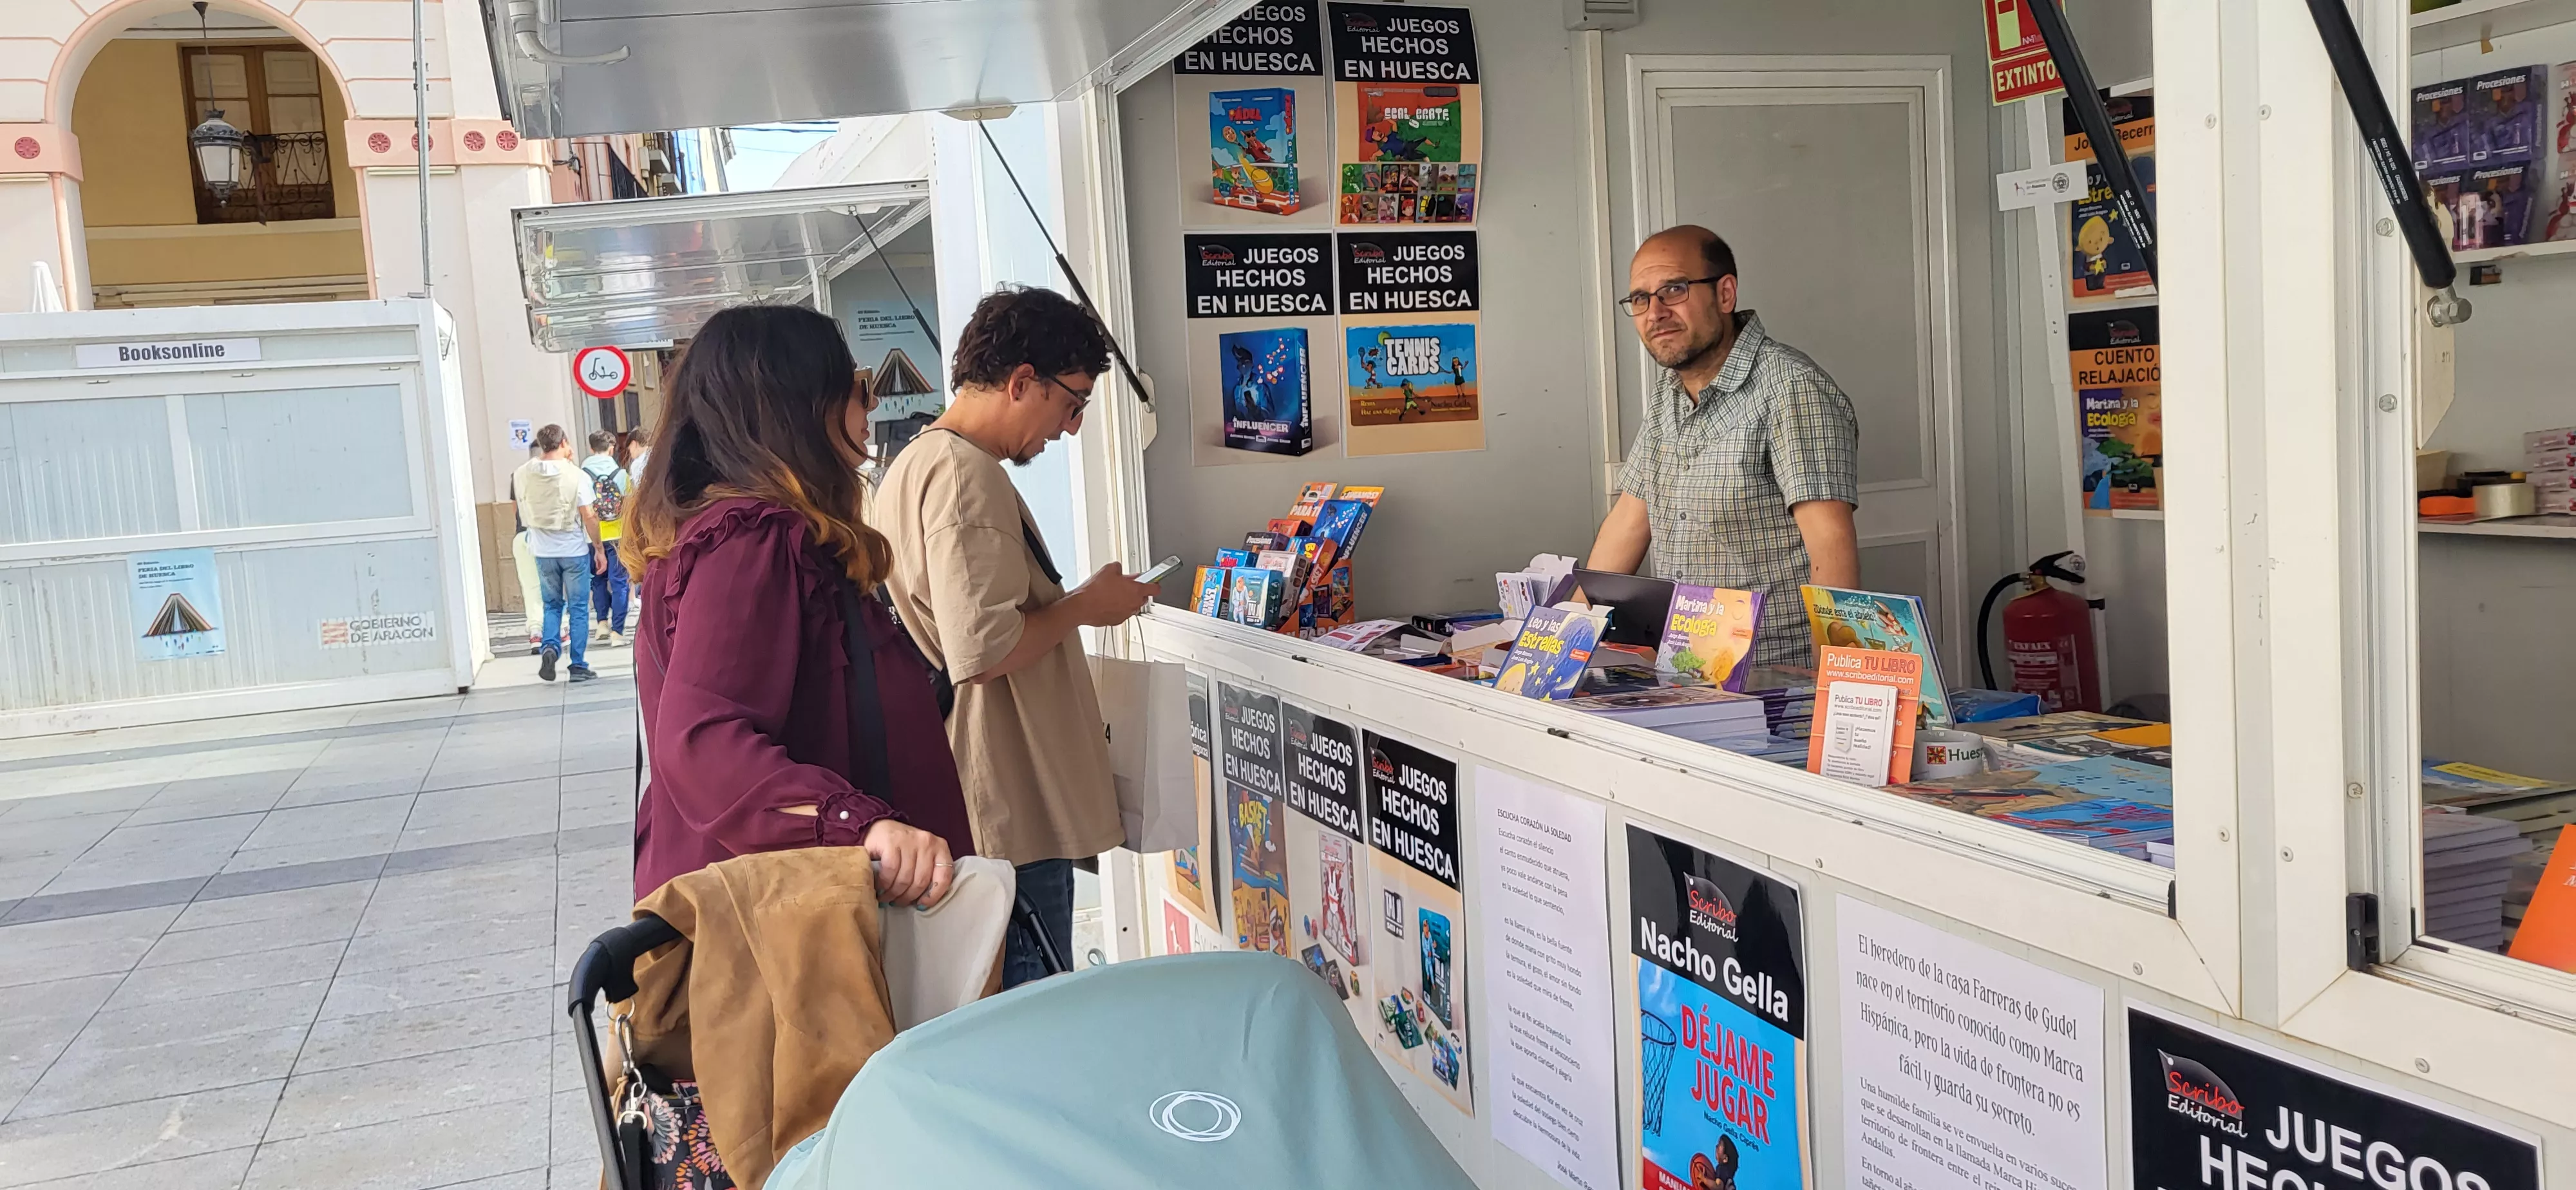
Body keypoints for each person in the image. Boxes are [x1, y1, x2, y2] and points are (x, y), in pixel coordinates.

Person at [621, 303, 971, 904]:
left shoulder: (735, 534)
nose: (873, 407)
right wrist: (856, 826)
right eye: (858, 387)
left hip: (805, 907)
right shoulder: (752, 540)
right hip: (800, 925)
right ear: (799, 408)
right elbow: (703, 737)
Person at [876, 286, 1157, 988]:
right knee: (1033, 1011)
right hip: (1007, 803)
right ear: (1022, 380)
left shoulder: (916, 460)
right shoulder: (965, 475)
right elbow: (984, 648)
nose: (1070, 428)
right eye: (1072, 404)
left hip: (983, 794)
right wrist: (1089, 605)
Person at [1585, 225, 1860, 667]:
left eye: (1673, 290)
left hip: (1774, 675)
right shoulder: (1669, 392)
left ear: (1725, 293)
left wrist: (1828, 692)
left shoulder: (1791, 387)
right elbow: (1627, 523)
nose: (1655, 313)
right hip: (1689, 668)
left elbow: (1831, 548)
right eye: (1640, 299)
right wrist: (1564, 641)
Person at [512, 425, 602, 682]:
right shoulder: (576, 476)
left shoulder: (523, 474)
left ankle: (550, 646)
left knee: (552, 605)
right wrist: (598, 548)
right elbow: (589, 516)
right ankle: (578, 664)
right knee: (578, 608)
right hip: (573, 551)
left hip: (542, 550)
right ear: (564, 442)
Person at [580, 430, 632, 647]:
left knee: (598, 580)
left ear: (592, 448)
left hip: (592, 536)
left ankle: (602, 624)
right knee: (620, 583)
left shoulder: (582, 474)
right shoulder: (621, 475)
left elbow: (582, 508)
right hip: (617, 533)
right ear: (611, 448)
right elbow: (630, 505)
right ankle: (617, 632)